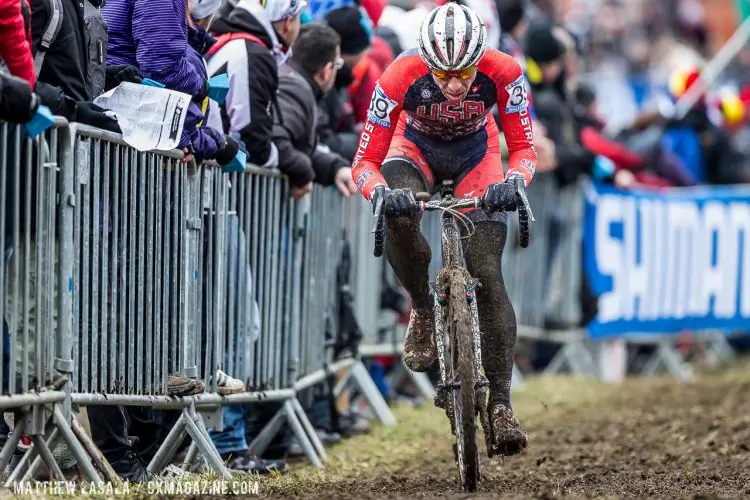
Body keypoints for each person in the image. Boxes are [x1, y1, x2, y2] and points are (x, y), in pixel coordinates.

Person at [351, 0, 534, 456]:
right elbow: (364, 161)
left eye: (465, 74)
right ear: (426, 61)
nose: (454, 86)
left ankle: (501, 405)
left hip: (478, 154)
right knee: (399, 210)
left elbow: (524, 148)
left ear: (481, 61)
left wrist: (514, 182)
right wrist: (378, 193)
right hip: (413, 149)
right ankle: (422, 307)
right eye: (442, 74)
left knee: (488, 274)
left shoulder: (505, 71)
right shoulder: (398, 75)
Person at [206, 0, 304, 170]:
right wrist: (279, 161)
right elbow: (253, 141)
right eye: (298, 18)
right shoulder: (253, 54)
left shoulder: (236, 41)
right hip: (215, 179)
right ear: (288, 23)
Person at [273, 22, 357, 198]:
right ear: (326, 71)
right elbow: (276, 141)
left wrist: (335, 167)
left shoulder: (293, 80)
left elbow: (300, 147)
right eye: (337, 64)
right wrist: (304, 174)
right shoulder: (295, 88)